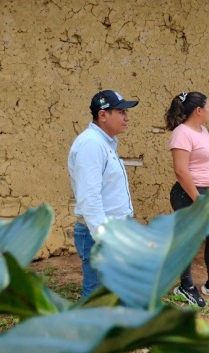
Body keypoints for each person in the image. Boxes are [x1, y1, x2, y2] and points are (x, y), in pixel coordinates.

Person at [165, 91, 209, 308]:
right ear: (198, 110)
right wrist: (197, 199)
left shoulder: (202, 131)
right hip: (190, 195)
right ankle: (185, 286)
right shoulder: (181, 133)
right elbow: (180, 171)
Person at [68, 90, 139, 300]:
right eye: (121, 111)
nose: (127, 117)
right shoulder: (91, 144)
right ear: (103, 115)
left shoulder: (104, 143)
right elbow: (89, 198)